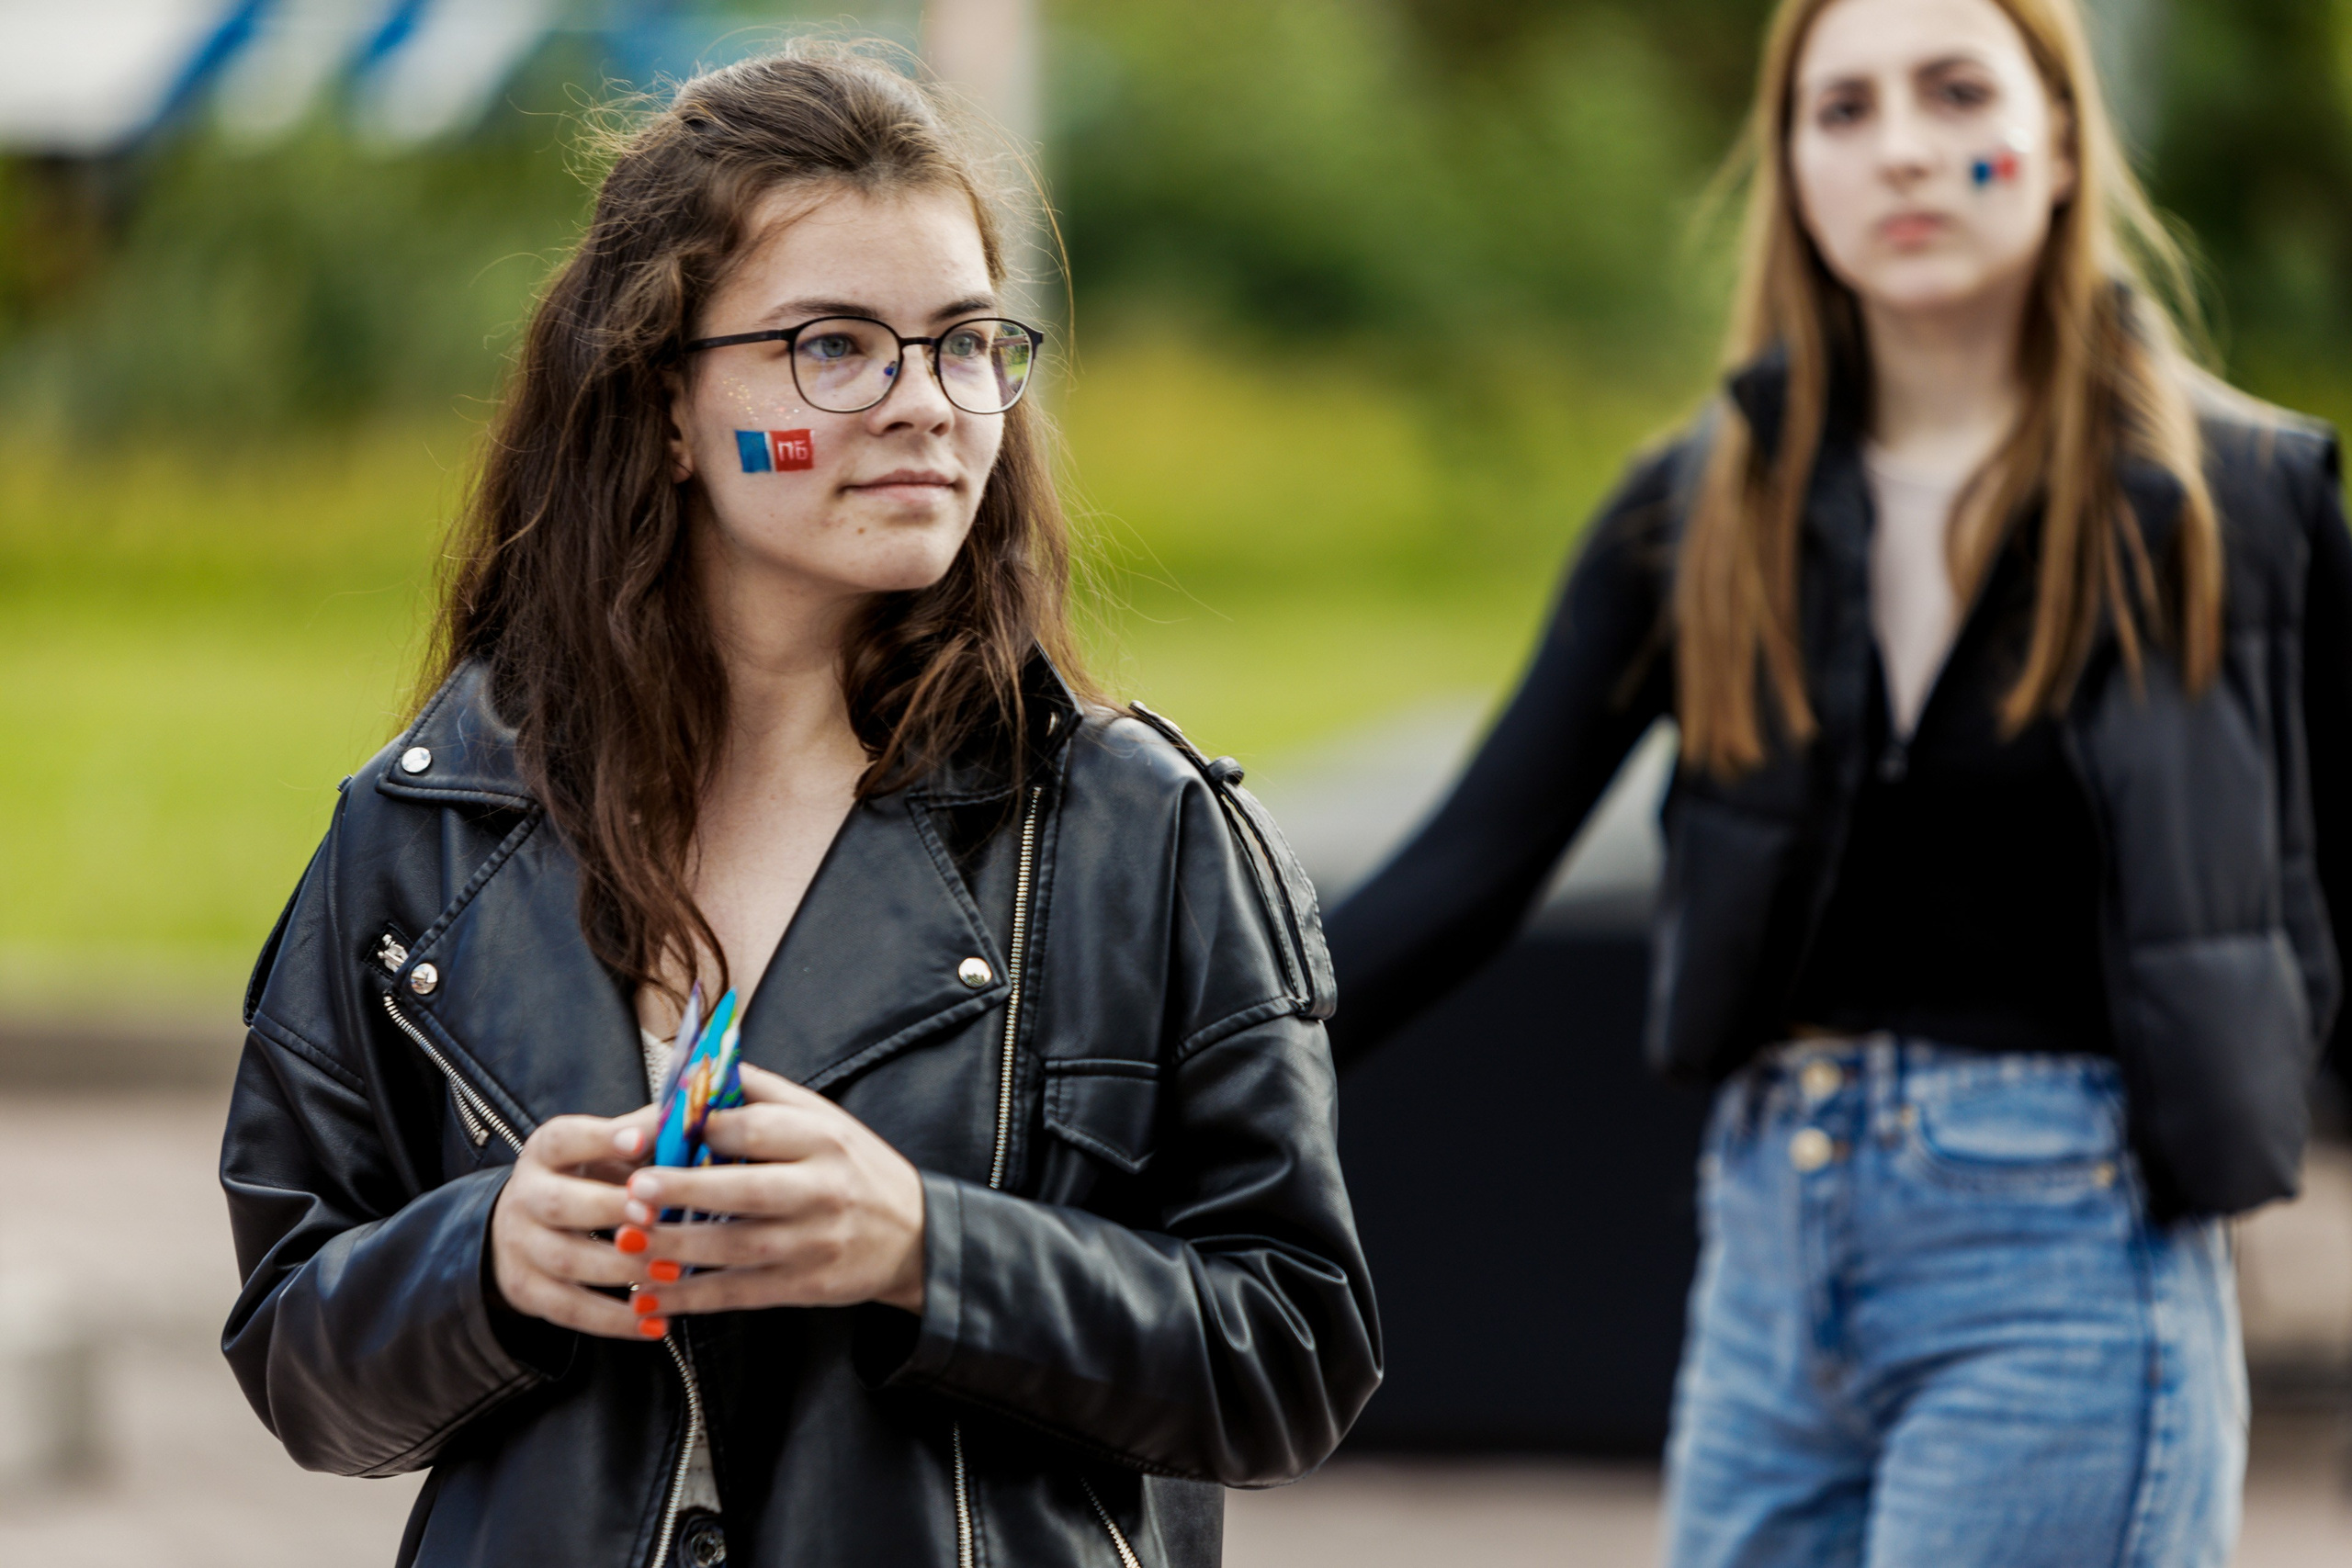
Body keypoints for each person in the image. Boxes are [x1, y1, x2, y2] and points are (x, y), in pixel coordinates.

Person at [220, 47, 1377, 1568]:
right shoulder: (430, 828)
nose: (929, 406)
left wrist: (924, 1248)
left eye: (966, 342)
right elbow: (301, 1356)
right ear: (667, 408)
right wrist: (485, 1259)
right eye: (836, 345)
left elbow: (1292, 1351)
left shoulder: (1136, 833)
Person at [1322, 0, 2352, 1562]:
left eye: (1956, 94)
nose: (1906, 151)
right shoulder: (1698, 508)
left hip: (2071, 1261)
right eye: (1845, 109)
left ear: (2062, 137)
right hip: (1769, 1249)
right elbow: (1467, 869)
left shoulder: (2240, 504)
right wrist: (1145, 1095)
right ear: (1795, 165)